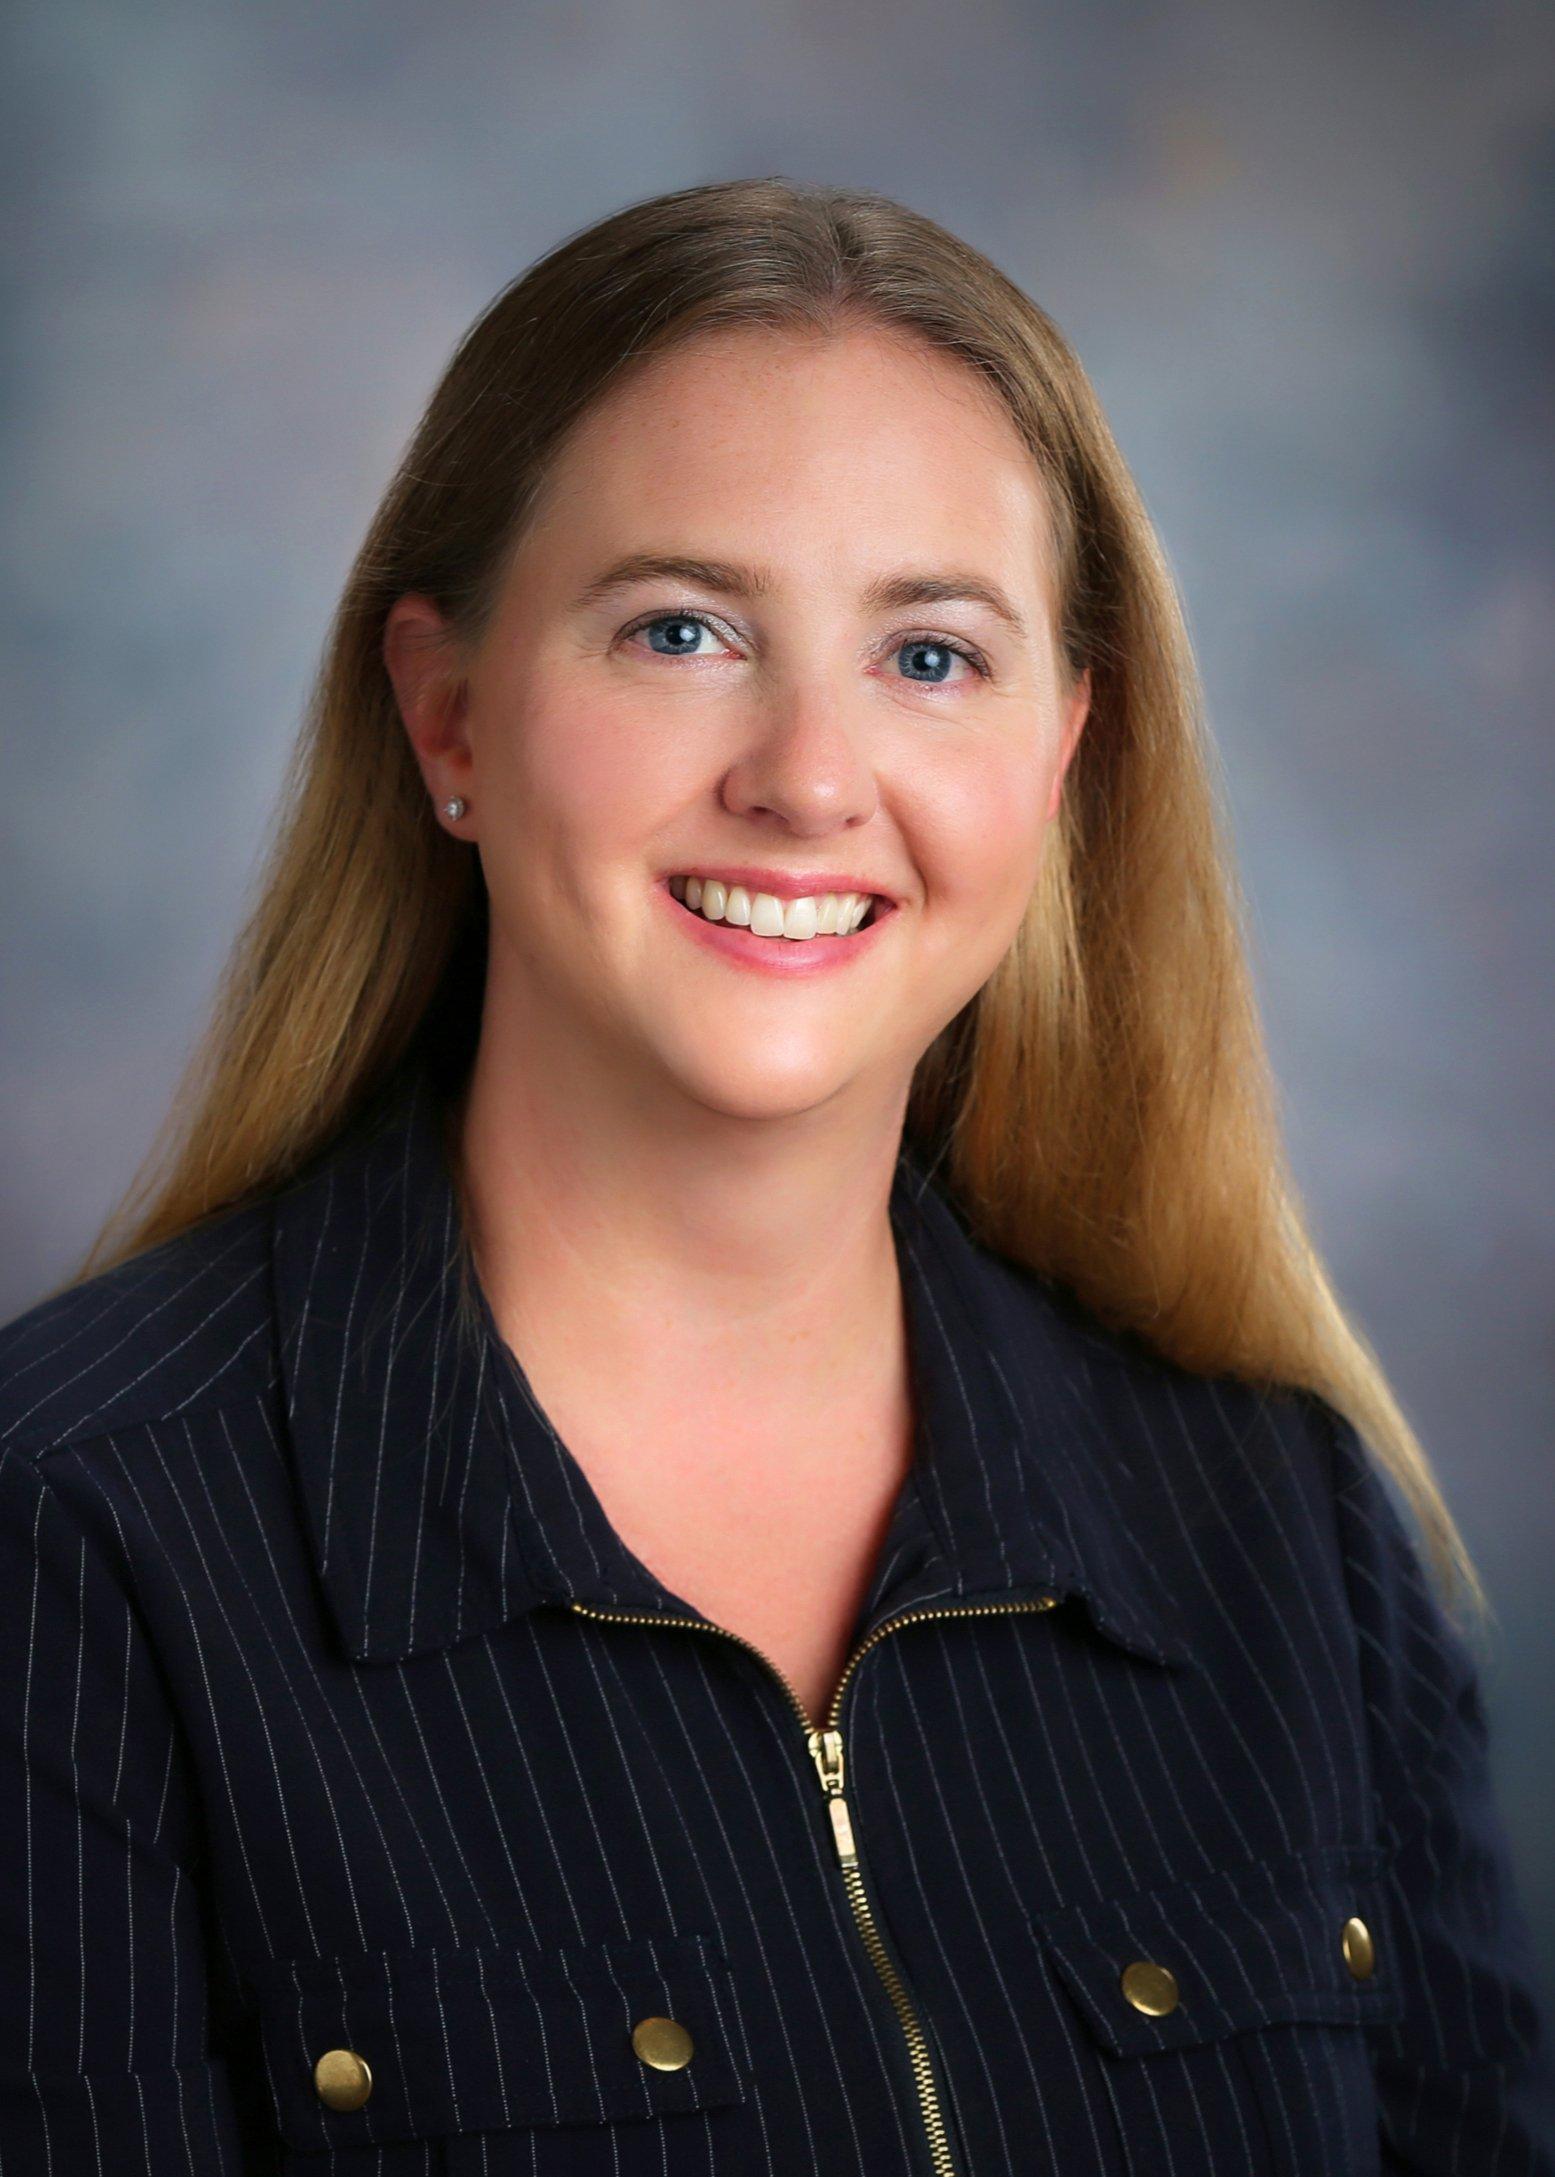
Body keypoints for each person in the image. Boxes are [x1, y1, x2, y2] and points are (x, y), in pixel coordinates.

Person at [1, 176, 1549, 2176]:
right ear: (448, 714)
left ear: (1060, 756)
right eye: (681, 630)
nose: (809, 776)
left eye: (929, 656)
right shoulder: (73, 1549)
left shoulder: (1283, 1530)